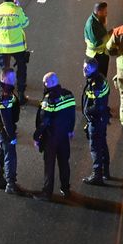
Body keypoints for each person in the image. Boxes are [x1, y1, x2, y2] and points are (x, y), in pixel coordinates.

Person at [33, 72, 76, 201]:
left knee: (49, 165)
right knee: (64, 163)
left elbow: (44, 121)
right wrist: (70, 130)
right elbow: (72, 115)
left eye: (44, 83)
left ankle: (47, 193)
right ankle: (65, 188)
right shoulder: (69, 94)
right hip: (64, 136)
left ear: (48, 83)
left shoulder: (48, 100)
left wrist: (36, 136)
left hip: (51, 137)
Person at [0, 0, 30, 102]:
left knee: (4, 71)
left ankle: (6, 95)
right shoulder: (17, 10)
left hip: (3, 47)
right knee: (21, 69)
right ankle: (21, 94)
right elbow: (25, 23)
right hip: (18, 47)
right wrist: (18, 7)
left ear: (3, 0)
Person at [0, 68, 23, 195]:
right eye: (11, 78)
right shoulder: (5, 96)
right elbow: (6, 119)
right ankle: (11, 184)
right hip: (5, 131)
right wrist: (12, 136)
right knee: (10, 156)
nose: (13, 80)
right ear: (3, 78)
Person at [80, 58, 111, 185]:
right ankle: (105, 172)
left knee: (95, 147)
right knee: (102, 144)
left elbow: (98, 106)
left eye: (87, 68)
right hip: (102, 118)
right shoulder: (100, 78)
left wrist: (87, 111)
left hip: (96, 120)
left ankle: (97, 174)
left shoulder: (95, 84)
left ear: (94, 68)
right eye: (84, 66)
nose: (84, 69)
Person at [83, 2, 110, 77]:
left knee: (102, 76)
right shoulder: (92, 24)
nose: (106, 13)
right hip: (95, 56)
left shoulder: (99, 19)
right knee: (97, 77)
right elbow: (96, 43)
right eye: (105, 12)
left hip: (101, 54)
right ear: (99, 12)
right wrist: (109, 36)